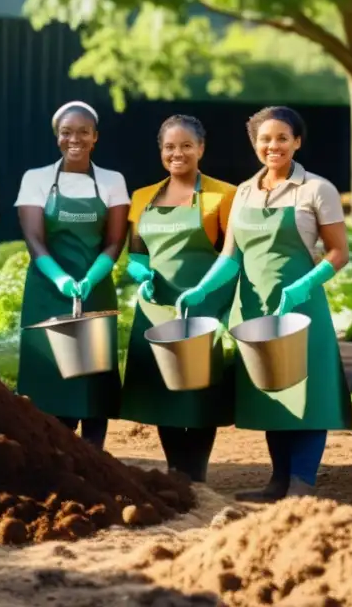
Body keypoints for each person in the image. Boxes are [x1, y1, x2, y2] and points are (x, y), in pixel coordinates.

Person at [176, 106, 352, 500]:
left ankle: (301, 484)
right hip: (255, 309)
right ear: (255, 144)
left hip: (301, 309)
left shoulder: (316, 189)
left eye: (282, 138)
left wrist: (305, 286)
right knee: (273, 392)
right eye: (265, 139)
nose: (274, 146)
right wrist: (201, 290)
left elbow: (339, 252)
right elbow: (230, 258)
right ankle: (278, 480)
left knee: (307, 395)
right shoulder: (244, 192)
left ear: (297, 142)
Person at [121, 115, 238, 482]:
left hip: (206, 304)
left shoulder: (224, 195)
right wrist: (140, 274)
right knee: (163, 390)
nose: (178, 153)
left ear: (201, 148)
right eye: (170, 147)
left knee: (200, 391)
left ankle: (197, 473)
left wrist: (206, 292)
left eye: (187, 146)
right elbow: (136, 254)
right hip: (156, 308)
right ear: (161, 151)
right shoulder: (143, 197)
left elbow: (233, 256)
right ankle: (175, 471)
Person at [15, 100, 130, 449]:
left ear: (95, 137)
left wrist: (93, 277)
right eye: (67, 132)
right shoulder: (35, 179)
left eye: (83, 132)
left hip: (94, 290)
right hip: (46, 290)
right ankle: (52, 454)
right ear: (57, 137)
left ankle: (94, 454)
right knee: (49, 376)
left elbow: (114, 242)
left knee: (93, 379)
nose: (74, 139)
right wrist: (59, 277)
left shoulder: (112, 181)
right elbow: (34, 240)